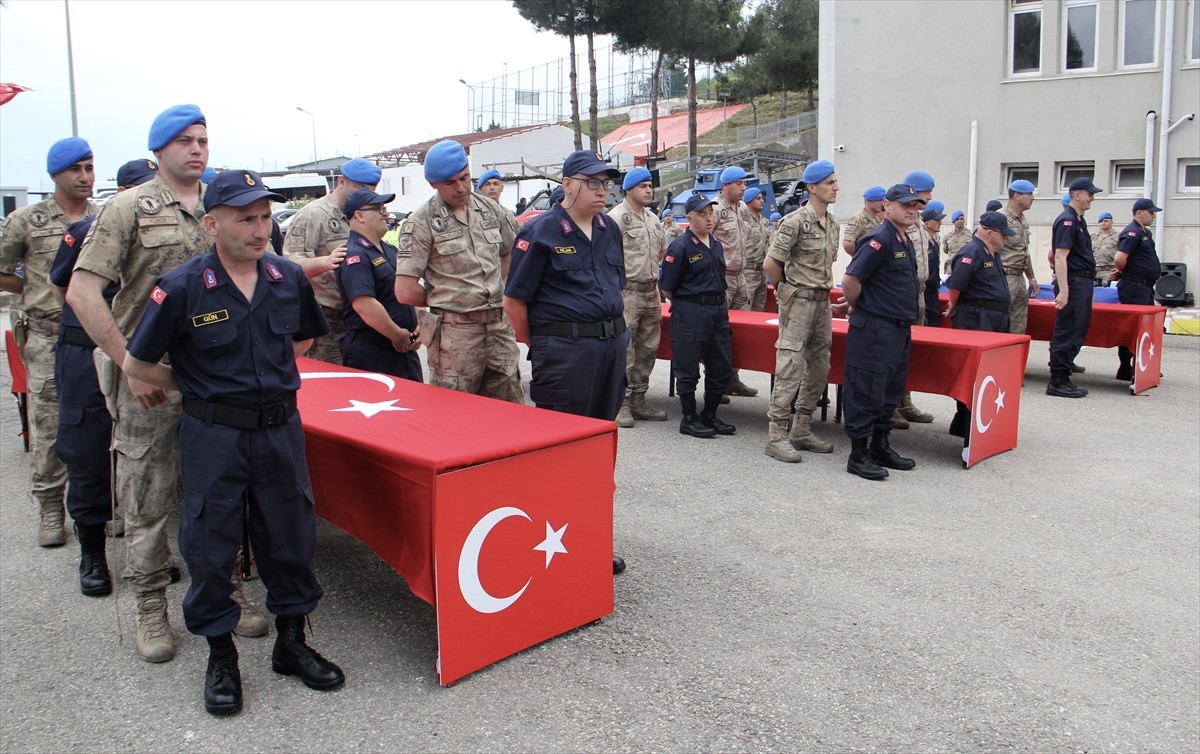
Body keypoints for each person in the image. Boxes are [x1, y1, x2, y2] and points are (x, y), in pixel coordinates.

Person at [122, 169, 342, 717]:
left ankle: (291, 644)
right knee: (210, 543)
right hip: (215, 435)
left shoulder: (286, 276)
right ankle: (221, 657)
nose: (260, 228)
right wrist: (195, 387)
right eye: (246, 218)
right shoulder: (181, 287)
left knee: (289, 536)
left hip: (279, 431)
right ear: (211, 222)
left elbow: (305, 336)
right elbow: (138, 362)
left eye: (265, 216)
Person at [70, 105, 268, 663]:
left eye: (203, 139)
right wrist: (129, 366)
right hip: (150, 381)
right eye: (184, 141)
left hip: (216, 379)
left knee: (217, 491)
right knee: (149, 492)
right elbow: (84, 293)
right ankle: (150, 601)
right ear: (159, 150)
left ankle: (225, 586)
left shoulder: (223, 205)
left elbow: (264, 265)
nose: (197, 149)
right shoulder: (127, 209)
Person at [503, 150, 628, 576]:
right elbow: (515, 301)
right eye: (593, 182)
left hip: (609, 348)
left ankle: (591, 536)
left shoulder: (609, 228)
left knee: (598, 447)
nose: (602, 190)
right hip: (566, 353)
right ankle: (552, 543)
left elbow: (616, 284)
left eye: (606, 183)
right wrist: (544, 345)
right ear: (568, 183)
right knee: (561, 451)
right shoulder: (539, 231)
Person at [46, 158, 157, 596]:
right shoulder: (88, 231)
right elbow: (65, 288)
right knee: (88, 447)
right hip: (87, 349)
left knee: (144, 453)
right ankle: (92, 550)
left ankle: (148, 554)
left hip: (145, 349)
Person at [0, 137, 99, 548]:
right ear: (55, 174)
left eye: (90, 168)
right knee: (51, 425)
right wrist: (32, 290)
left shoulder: (105, 216)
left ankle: (103, 506)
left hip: (94, 336)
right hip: (47, 336)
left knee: (101, 426)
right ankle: (50, 509)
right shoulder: (28, 220)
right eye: (75, 169)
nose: (84, 177)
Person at [394, 140, 523, 403]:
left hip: (498, 328)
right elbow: (405, 290)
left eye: (464, 177)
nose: (461, 187)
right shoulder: (421, 222)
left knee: (510, 413)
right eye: (450, 183)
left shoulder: (491, 210)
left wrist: (493, 287)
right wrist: (453, 297)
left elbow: (509, 252)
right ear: (434, 184)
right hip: (455, 336)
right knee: (454, 414)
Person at [840, 184, 925, 481]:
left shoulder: (904, 239)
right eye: (905, 205)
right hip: (875, 329)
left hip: (897, 330)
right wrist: (861, 307)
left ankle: (880, 445)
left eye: (915, 205)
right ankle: (858, 454)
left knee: (889, 390)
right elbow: (851, 279)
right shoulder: (878, 239)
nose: (911, 210)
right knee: (866, 389)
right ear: (887, 206)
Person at [763, 159, 840, 463]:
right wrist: (789, 291)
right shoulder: (795, 221)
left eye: (835, 181)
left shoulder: (832, 224)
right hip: (800, 301)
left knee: (820, 367)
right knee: (790, 367)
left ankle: (802, 427)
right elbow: (771, 265)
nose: (835, 187)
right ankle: (776, 434)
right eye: (829, 182)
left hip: (822, 302)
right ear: (812, 187)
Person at [283, 157, 382, 364]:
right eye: (360, 188)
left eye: (371, 190)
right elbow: (290, 266)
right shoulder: (313, 215)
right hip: (326, 321)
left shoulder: (365, 214)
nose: (366, 194)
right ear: (341, 181)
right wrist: (326, 262)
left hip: (361, 320)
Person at [658, 194, 735, 440]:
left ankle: (709, 414)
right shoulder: (680, 247)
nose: (709, 218)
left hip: (717, 311)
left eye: (710, 213)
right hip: (691, 312)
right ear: (689, 217)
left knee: (721, 366)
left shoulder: (715, 244)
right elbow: (668, 286)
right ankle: (689, 417)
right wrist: (689, 304)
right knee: (688, 368)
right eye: (702, 214)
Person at [336, 188, 422, 381]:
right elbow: (364, 304)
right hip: (373, 353)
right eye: (377, 208)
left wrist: (419, 324)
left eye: (384, 207)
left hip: (403, 349)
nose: (385, 213)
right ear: (359, 215)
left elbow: (406, 290)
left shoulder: (389, 250)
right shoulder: (354, 255)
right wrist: (396, 335)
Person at [944, 211, 1014, 439]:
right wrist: (953, 304)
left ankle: (967, 419)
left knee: (990, 371)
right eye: (1003, 234)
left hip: (994, 318)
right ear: (989, 232)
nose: (1006, 238)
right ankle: (965, 421)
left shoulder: (993, 253)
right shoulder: (971, 252)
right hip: (976, 317)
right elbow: (956, 285)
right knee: (974, 371)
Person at [608, 166, 669, 427]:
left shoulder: (653, 219)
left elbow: (660, 252)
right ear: (629, 189)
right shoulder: (615, 218)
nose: (649, 190)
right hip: (627, 293)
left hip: (651, 292)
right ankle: (620, 404)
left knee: (648, 349)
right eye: (643, 186)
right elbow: (606, 259)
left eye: (650, 186)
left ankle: (638, 400)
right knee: (625, 351)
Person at [1046, 177, 1102, 398]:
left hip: (1083, 282)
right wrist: (1064, 290)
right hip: (1074, 282)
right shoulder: (1067, 220)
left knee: (1078, 329)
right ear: (1077, 195)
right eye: (1090, 194)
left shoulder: (1079, 220)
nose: (1092, 199)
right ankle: (1057, 380)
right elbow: (1060, 257)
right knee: (1067, 329)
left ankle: (1064, 373)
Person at [895, 170, 938, 428]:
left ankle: (904, 400)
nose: (930, 197)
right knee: (897, 352)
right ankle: (892, 405)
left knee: (909, 351)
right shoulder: (901, 220)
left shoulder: (920, 222)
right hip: (903, 294)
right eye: (926, 192)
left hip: (919, 291)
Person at [712, 166, 757, 397]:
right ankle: (716, 385)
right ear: (726, 185)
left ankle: (732, 378)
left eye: (744, 184)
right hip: (723, 278)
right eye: (739, 184)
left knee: (738, 332)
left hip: (742, 276)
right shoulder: (715, 210)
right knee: (719, 332)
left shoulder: (740, 209)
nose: (743, 188)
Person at [1113, 198, 1163, 381]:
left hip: (1144, 287)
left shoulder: (1145, 232)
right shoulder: (1132, 232)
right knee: (1132, 328)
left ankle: (1142, 366)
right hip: (1134, 286)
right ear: (1139, 212)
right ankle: (1126, 368)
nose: (1153, 215)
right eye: (1151, 212)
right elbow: (1119, 258)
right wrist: (1126, 272)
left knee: (1146, 328)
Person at [998, 180, 1039, 337]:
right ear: (1016, 196)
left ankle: (1013, 359)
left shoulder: (1022, 219)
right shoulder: (1000, 218)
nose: (1032, 198)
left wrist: (1032, 278)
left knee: (1018, 325)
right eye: (1029, 194)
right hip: (1004, 276)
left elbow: (1024, 251)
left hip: (1019, 277)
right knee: (1001, 321)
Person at [742, 186, 771, 312]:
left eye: (762, 198)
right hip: (748, 272)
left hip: (761, 272)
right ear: (749, 201)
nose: (762, 200)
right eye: (758, 198)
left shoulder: (764, 221)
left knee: (759, 310)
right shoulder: (743, 220)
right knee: (745, 309)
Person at [841, 186, 885, 257]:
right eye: (879, 200)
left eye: (883, 200)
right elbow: (847, 244)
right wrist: (860, 258)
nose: (882, 204)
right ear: (868, 201)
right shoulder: (858, 218)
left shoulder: (877, 220)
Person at [920, 206, 945, 326]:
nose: (940, 223)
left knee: (935, 318)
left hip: (933, 289)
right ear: (927, 223)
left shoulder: (935, 241)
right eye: (936, 220)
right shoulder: (921, 242)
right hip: (923, 289)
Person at [1091, 212, 1119, 286]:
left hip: (1110, 271)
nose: (1103, 223)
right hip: (1095, 272)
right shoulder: (1093, 236)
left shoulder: (1118, 237)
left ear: (1111, 222)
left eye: (1106, 221)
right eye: (1101, 221)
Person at [941, 211, 972, 275]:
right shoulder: (948, 236)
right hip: (951, 266)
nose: (960, 221)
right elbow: (945, 250)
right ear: (953, 221)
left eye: (961, 219)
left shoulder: (970, 235)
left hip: (965, 266)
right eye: (957, 219)